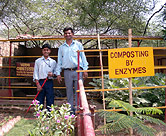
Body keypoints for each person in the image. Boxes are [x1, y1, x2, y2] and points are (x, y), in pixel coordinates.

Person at [56, 27, 88, 114]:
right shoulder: (61, 48)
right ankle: (70, 111)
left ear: (72, 34)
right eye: (66, 33)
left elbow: (83, 57)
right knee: (69, 91)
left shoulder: (78, 45)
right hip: (67, 71)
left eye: (69, 33)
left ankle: (78, 109)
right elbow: (59, 61)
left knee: (78, 90)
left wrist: (85, 70)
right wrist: (58, 73)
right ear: (64, 35)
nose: (67, 35)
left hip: (78, 71)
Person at [33, 43, 56, 110]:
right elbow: (35, 73)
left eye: (47, 50)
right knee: (40, 99)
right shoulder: (38, 61)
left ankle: (50, 115)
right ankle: (40, 115)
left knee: (50, 99)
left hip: (49, 82)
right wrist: (38, 84)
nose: (46, 51)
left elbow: (56, 74)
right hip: (41, 82)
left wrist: (52, 74)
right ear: (42, 51)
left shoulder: (53, 62)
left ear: (50, 51)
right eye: (44, 50)